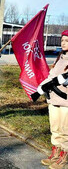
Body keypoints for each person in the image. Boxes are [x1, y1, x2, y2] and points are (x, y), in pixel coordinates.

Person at [40, 30, 68, 169]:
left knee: (65, 130)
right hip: (54, 99)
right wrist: (42, 86)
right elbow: (51, 76)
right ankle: (56, 155)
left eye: (67, 41)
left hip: (66, 102)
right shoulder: (60, 58)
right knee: (55, 129)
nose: (64, 43)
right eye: (62, 40)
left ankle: (64, 159)